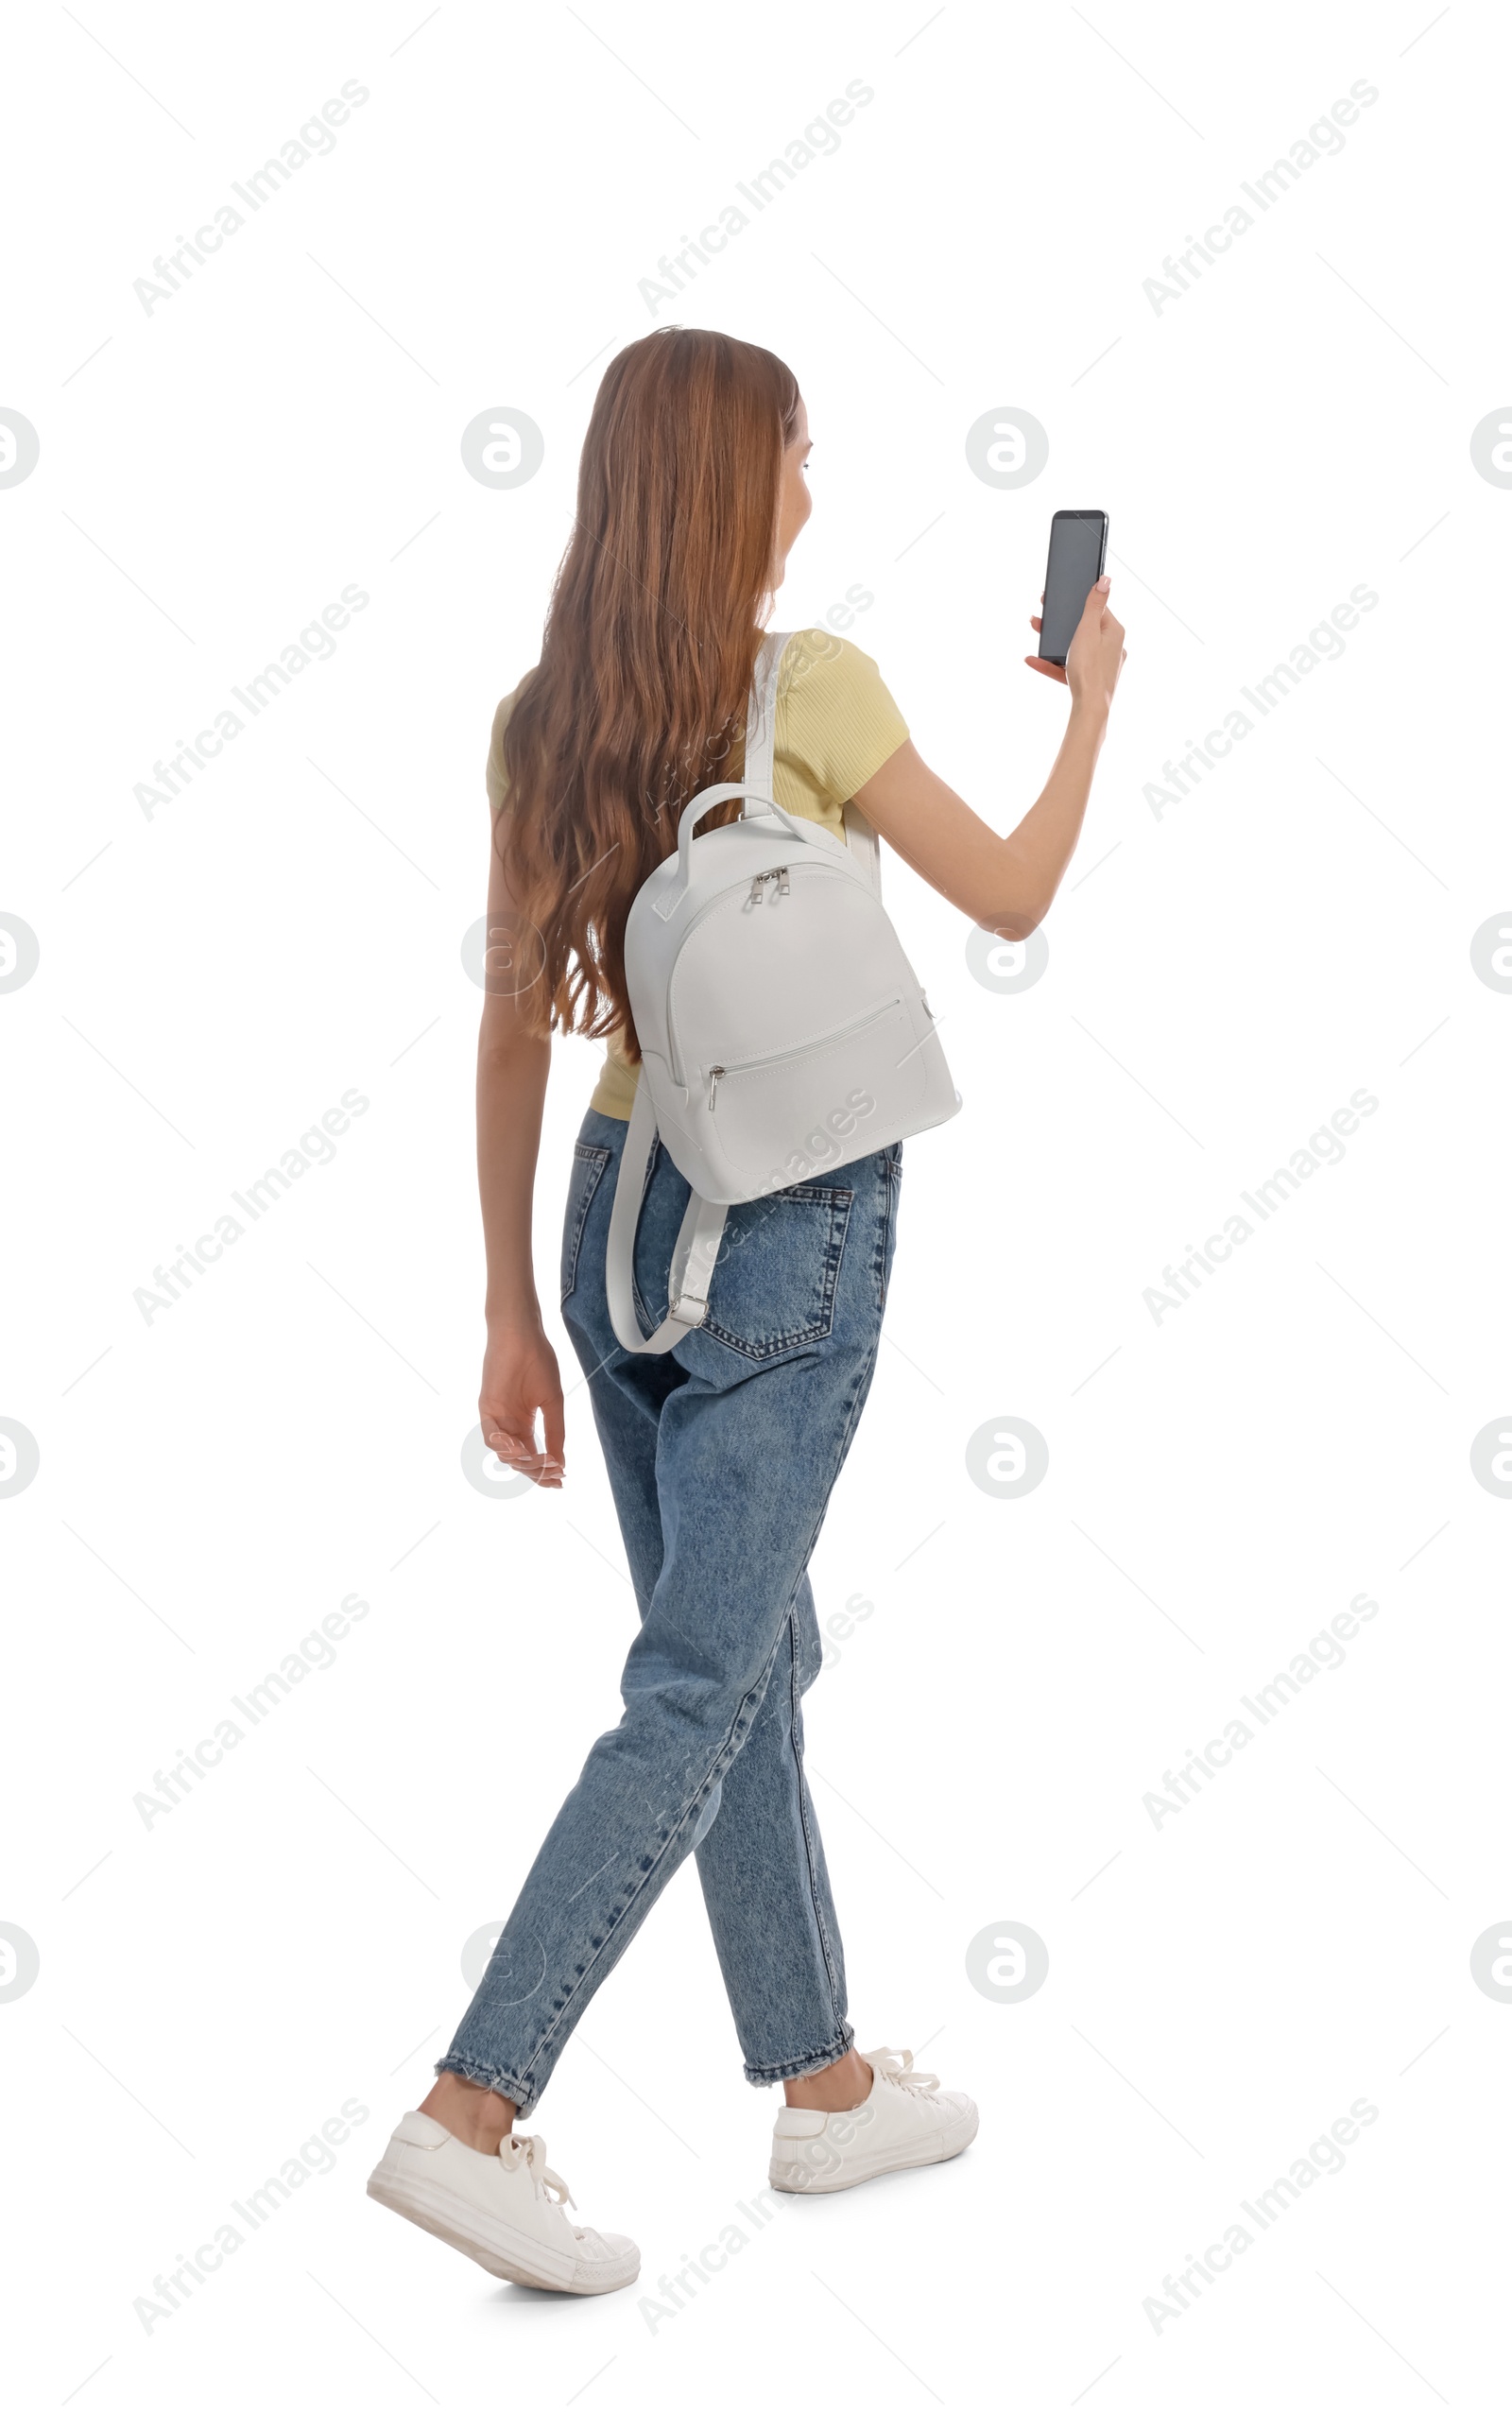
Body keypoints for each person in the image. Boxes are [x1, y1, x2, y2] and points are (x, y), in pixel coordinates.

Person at [367, 327, 1125, 2293]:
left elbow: (511, 1023)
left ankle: (819, 2080)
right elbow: (1017, 896)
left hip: (607, 1216)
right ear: (730, 480)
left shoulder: (542, 716)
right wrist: (1092, 699)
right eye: (797, 450)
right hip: (783, 1219)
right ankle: (470, 2105)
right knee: (696, 1687)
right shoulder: (821, 686)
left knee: (739, 1657)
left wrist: (507, 1312)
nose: (814, 484)